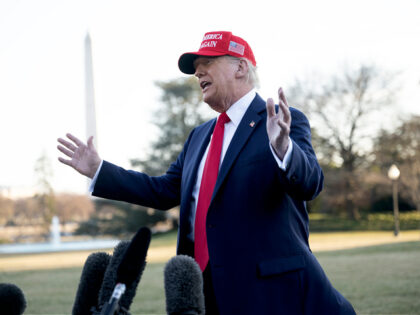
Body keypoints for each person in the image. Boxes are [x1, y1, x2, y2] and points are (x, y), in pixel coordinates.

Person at [58, 31, 355, 315]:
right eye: (196, 69)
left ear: (240, 68)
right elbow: (162, 191)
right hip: (202, 291)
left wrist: (284, 149)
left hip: (268, 292)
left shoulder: (280, 121)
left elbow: (311, 183)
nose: (198, 73)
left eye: (207, 64)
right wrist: (99, 171)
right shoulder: (198, 137)